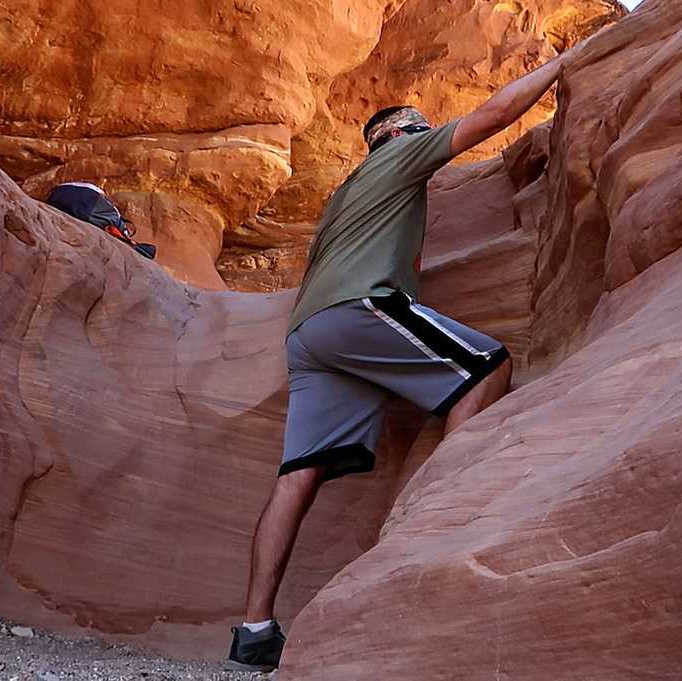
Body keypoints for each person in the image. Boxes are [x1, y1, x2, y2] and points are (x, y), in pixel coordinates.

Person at [225, 54, 572, 672]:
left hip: (308, 337)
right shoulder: (399, 153)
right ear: (397, 133)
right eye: (419, 126)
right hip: (358, 311)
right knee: (488, 365)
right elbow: (492, 115)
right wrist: (564, 62)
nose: (424, 132)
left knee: (298, 473)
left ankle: (253, 630)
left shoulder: (345, 196)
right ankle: (432, 528)